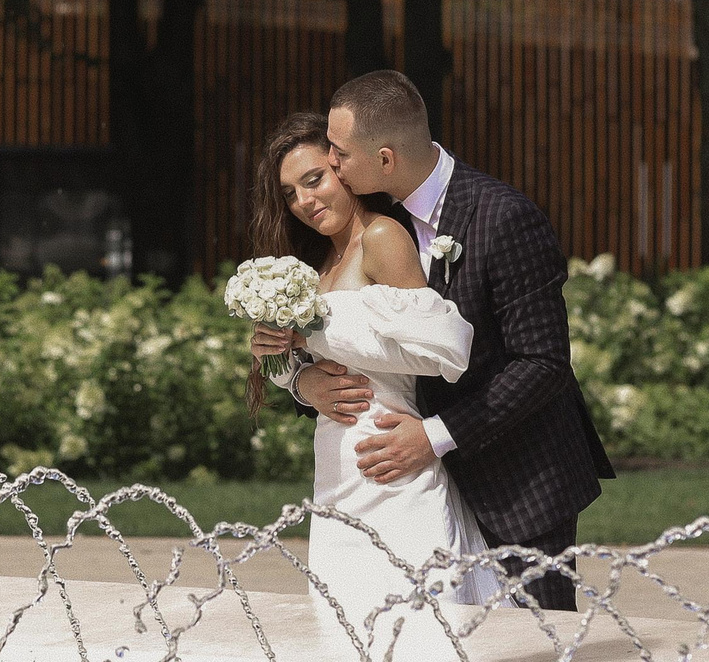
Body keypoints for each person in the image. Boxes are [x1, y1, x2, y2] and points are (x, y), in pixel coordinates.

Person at [262, 70, 613, 611]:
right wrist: (302, 382)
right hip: (404, 480)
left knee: (535, 650)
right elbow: (373, 354)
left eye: (338, 154)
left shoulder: (503, 218)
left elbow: (542, 363)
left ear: (384, 158)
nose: (331, 164)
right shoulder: (372, 217)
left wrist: (434, 436)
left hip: (515, 479)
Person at [245, 111, 498, 647]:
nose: (305, 201)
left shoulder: (382, 236)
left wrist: (316, 332)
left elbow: (438, 350)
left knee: (417, 634)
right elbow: (310, 363)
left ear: (342, 170)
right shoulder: (316, 264)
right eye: (290, 193)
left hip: (392, 461)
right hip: (336, 472)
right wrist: (295, 376)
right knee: (342, 636)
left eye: (315, 179)